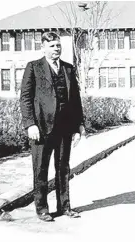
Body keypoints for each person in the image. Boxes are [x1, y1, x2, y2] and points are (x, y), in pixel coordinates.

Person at [20, 32, 85, 222]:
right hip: (41, 129)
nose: (56, 49)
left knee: (63, 168)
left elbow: (76, 100)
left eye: (58, 45)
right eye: (52, 46)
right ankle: (42, 209)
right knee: (40, 170)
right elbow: (25, 99)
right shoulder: (34, 67)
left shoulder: (68, 69)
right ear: (43, 48)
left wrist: (79, 125)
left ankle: (65, 206)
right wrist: (30, 124)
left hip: (65, 128)